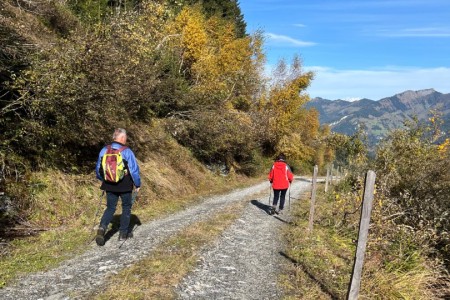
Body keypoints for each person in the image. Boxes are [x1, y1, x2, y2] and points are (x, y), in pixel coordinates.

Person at [95, 128, 141, 246]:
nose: (126, 140)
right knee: (126, 207)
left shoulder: (104, 150)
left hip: (109, 184)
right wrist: (137, 184)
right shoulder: (127, 151)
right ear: (122, 138)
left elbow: (98, 168)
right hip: (125, 184)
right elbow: (134, 170)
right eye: (125, 137)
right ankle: (123, 234)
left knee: (110, 207)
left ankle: (102, 228)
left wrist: (104, 180)